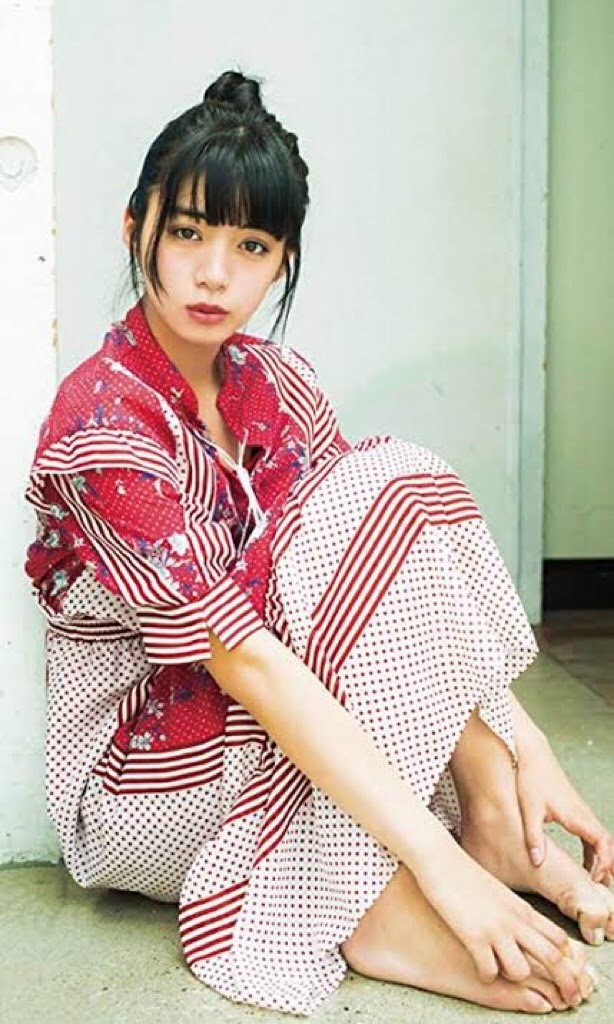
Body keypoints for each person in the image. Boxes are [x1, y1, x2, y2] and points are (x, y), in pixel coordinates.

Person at [25, 70, 613, 1016]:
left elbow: (398, 578)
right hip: (156, 768)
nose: (215, 274)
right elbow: (243, 658)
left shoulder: (276, 381)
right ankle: (382, 903)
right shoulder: (100, 421)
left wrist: (523, 743)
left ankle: (491, 822)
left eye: (251, 246)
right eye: (188, 234)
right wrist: (440, 869)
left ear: (282, 261)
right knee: (367, 520)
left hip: (273, 713)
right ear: (135, 229)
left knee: (389, 480)